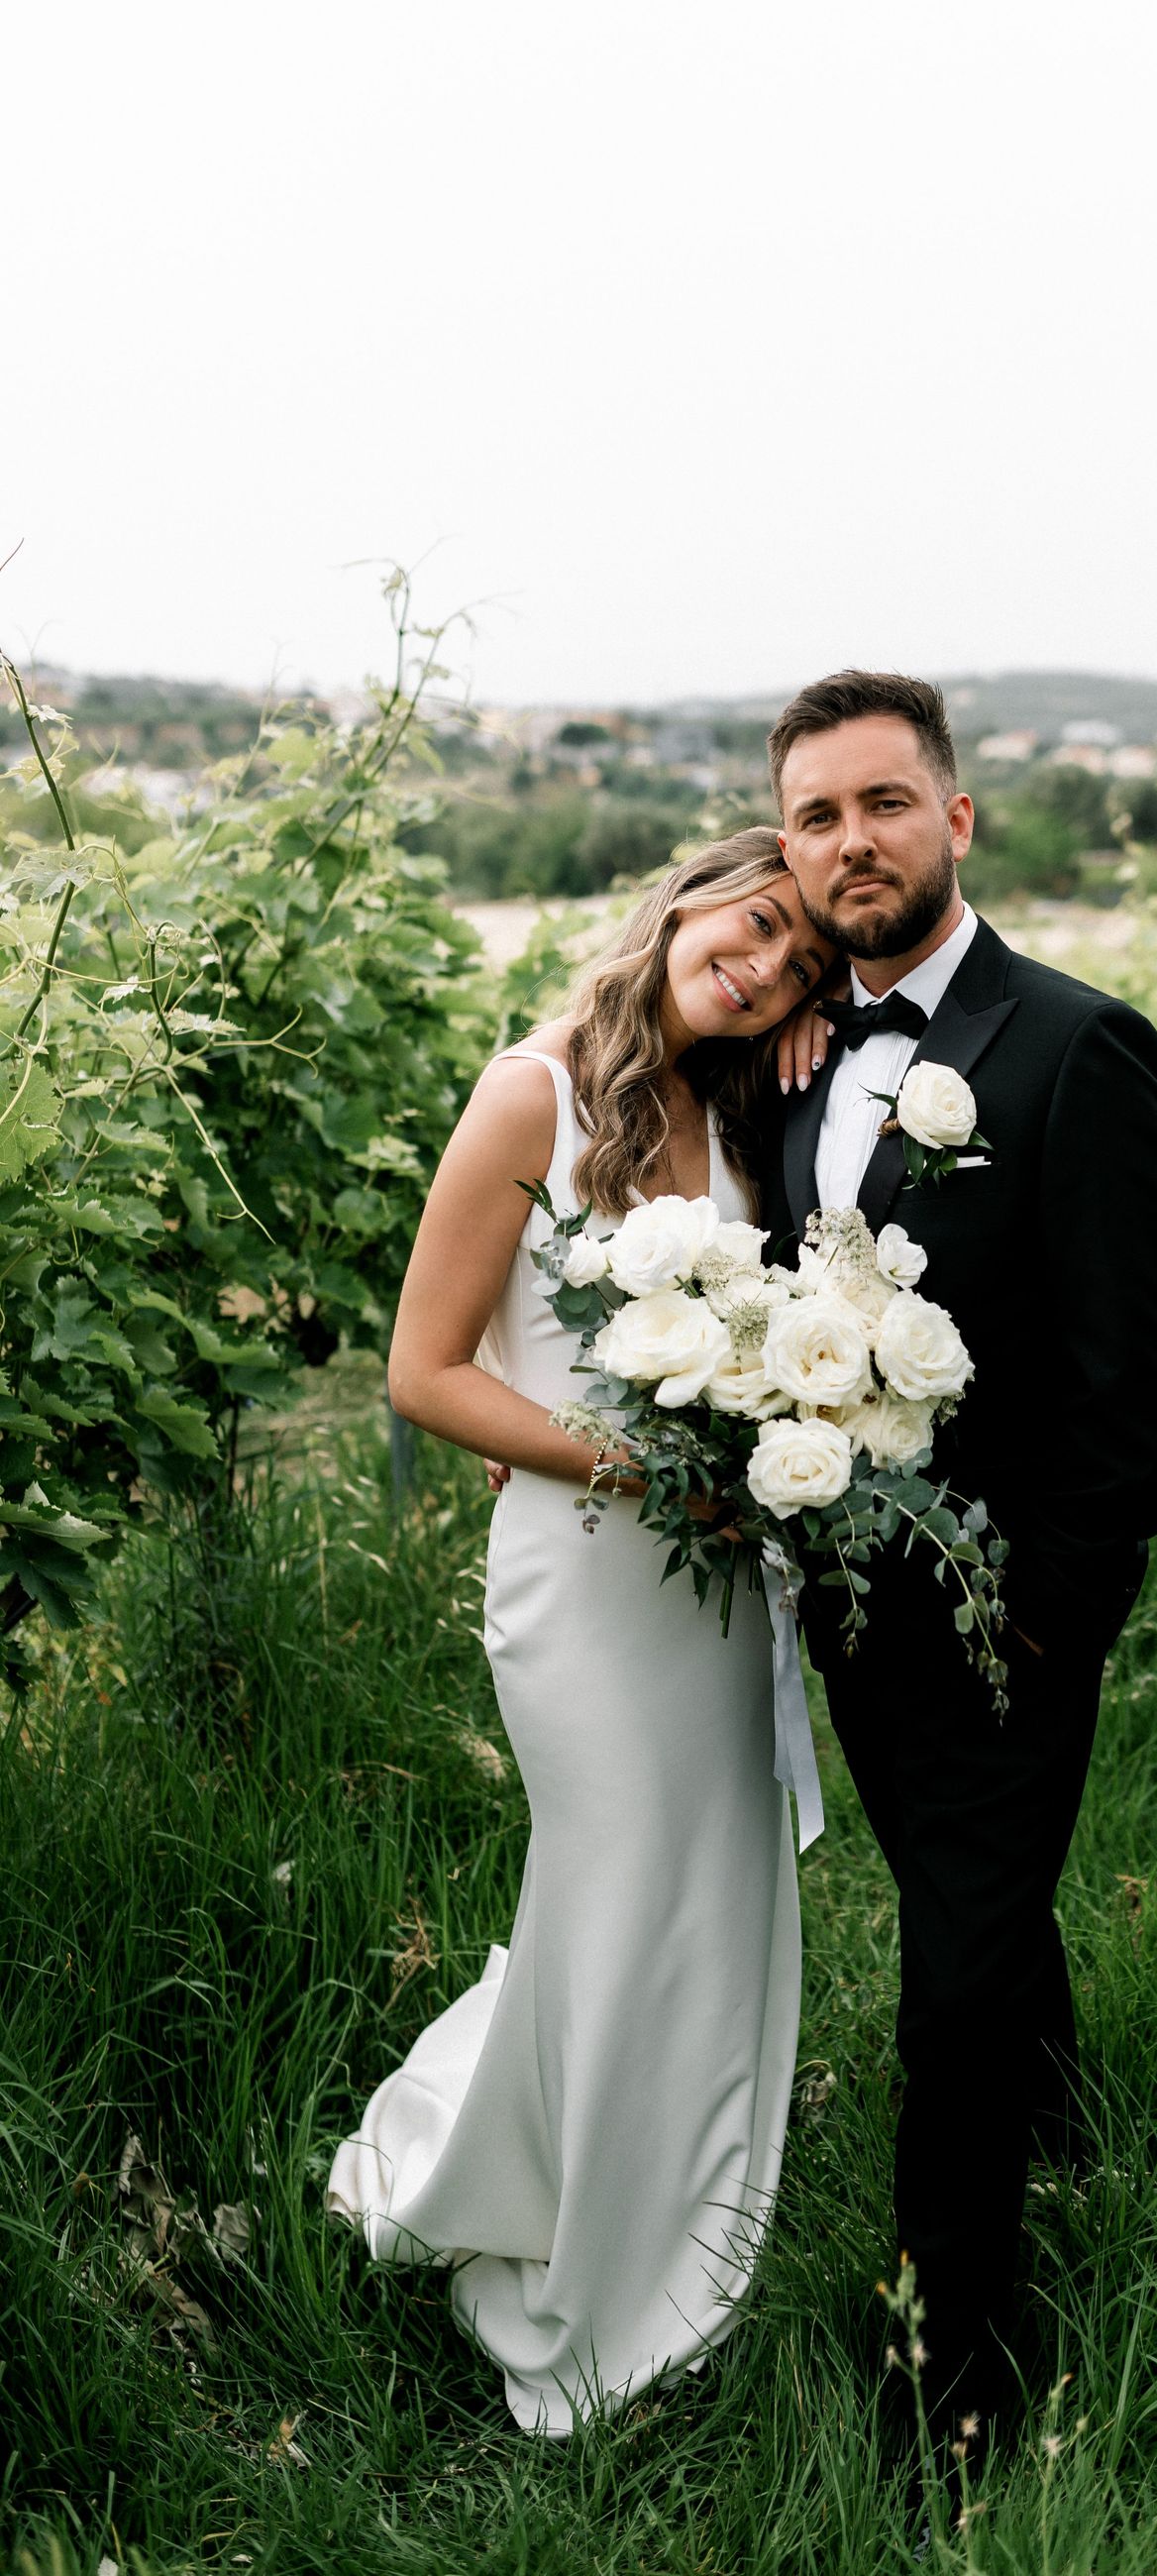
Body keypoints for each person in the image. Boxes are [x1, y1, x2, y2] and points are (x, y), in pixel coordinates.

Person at [328, 827, 834, 2435]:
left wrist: (827, 1029)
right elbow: (425, 1374)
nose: (764, 966)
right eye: (758, 923)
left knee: (706, 1899)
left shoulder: (741, 1109)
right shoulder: (528, 1092)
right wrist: (640, 1465)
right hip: (586, 1578)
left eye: (799, 965)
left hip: (719, 1589)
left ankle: (684, 2202)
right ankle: (602, 2275)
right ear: (688, 898)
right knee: (619, 1896)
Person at [762, 671, 1157, 2465]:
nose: (851, 841)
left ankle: (955, 2395)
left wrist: (1052, 1611)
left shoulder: (1077, 1046)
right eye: (816, 816)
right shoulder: (783, 1055)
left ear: (956, 819)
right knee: (973, 1903)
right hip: (848, 1602)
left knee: (947, 1985)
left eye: (884, 803)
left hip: (1007, 1611)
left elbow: (1140, 1378)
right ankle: (1069, 2112)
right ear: (786, 847)